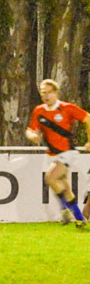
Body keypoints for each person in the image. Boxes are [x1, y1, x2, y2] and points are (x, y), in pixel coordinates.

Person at [25, 79, 88, 227]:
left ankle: (65, 211)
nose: (45, 96)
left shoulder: (67, 108)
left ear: (56, 93)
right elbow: (30, 130)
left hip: (67, 153)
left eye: (48, 92)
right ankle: (79, 218)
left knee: (50, 178)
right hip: (52, 154)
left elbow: (87, 118)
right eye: (43, 93)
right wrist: (32, 136)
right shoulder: (39, 111)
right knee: (65, 188)